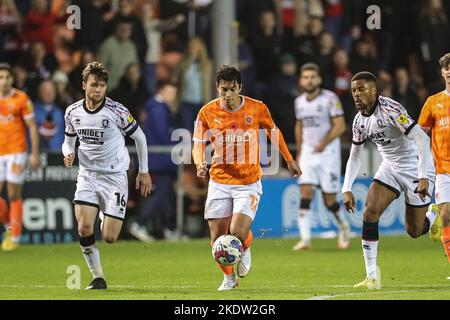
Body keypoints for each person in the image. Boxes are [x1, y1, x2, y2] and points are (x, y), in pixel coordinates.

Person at [192, 65, 302, 291]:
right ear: (217, 88)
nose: (228, 95)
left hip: (247, 182)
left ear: (240, 87)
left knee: (238, 232)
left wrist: (289, 158)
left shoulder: (257, 108)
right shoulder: (206, 112)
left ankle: (245, 246)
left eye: (232, 89)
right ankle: (230, 279)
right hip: (219, 182)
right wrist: (199, 162)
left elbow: (274, 132)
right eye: (223, 90)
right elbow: (197, 144)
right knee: (217, 239)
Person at [343, 71, 439, 289]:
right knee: (369, 211)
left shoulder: (391, 109)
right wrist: (346, 188)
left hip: (415, 166)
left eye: (361, 89)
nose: (356, 94)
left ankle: (434, 215)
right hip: (390, 167)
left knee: (414, 231)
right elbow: (355, 155)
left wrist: (423, 175)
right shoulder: (359, 121)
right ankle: (371, 276)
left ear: (374, 91)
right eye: (353, 90)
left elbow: (422, 139)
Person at [62, 61, 152, 290]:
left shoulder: (117, 111)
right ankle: (98, 277)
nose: (98, 90)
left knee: (110, 237)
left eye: (102, 85)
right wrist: (69, 152)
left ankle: (105, 212)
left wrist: (143, 172)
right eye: (94, 85)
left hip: (114, 177)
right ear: (84, 85)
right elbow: (68, 141)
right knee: (83, 228)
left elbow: (140, 137)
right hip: (88, 175)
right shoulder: (72, 111)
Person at [293, 63, 350, 251]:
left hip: (328, 154)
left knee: (329, 200)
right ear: (301, 80)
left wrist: (324, 143)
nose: (309, 80)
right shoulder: (299, 102)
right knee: (305, 192)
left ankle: (344, 227)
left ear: (318, 79)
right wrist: (300, 151)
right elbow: (299, 126)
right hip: (308, 153)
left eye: (312, 77)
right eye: (306, 77)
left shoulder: (329, 98)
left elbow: (340, 125)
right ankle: (305, 239)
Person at [128, 82, 179, 242]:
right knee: (158, 194)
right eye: (170, 92)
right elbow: (162, 133)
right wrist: (175, 144)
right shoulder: (158, 109)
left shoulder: (155, 108)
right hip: (158, 160)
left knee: (166, 195)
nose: (173, 96)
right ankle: (140, 223)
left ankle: (169, 228)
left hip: (158, 160)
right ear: (162, 91)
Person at [0, 62, 40, 251]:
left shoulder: (21, 99)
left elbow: (32, 126)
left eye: (7, 77)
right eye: (1, 77)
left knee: (13, 193)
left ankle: (15, 236)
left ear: (12, 79)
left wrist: (34, 153)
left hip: (17, 151)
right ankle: (10, 226)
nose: (4, 81)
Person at [418, 52, 450, 272]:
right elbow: (420, 135)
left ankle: (434, 212)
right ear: (442, 72)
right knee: (447, 216)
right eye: (447, 68)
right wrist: (422, 170)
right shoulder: (433, 102)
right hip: (443, 170)